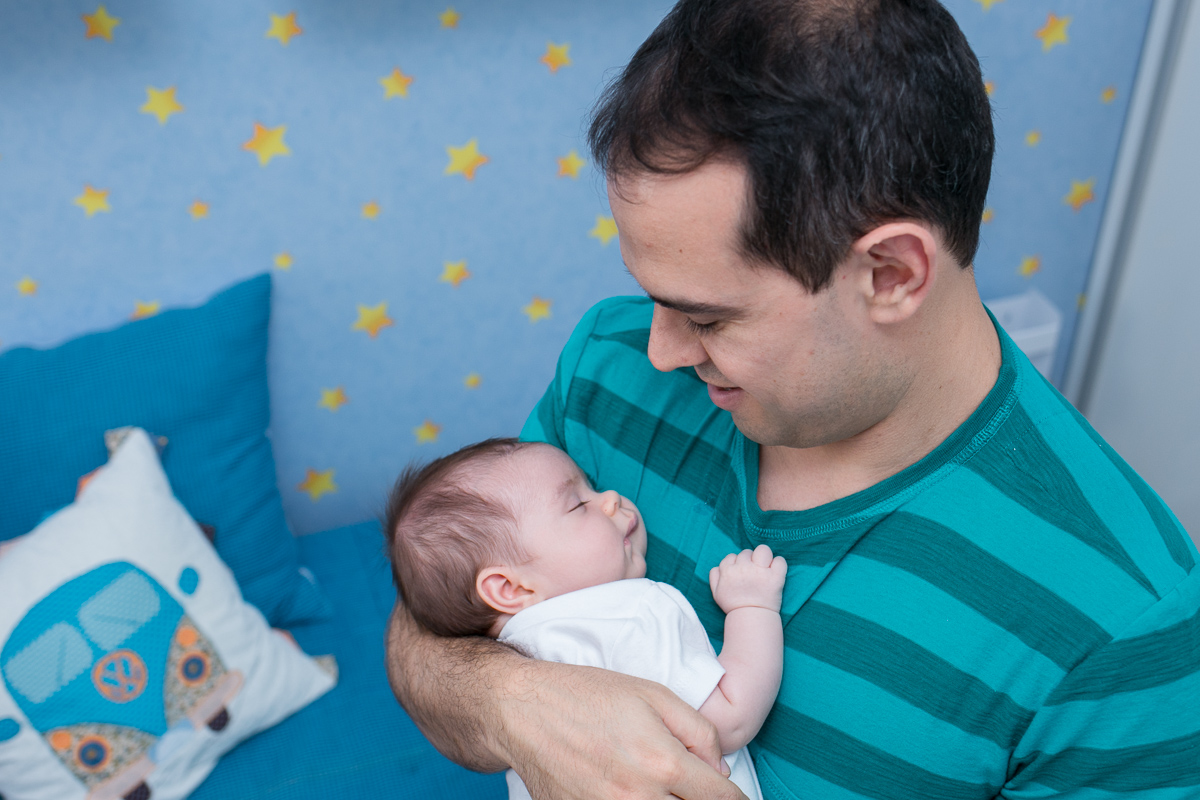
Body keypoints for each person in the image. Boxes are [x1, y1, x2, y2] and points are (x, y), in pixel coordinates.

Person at [386, 1, 1200, 798]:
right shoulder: (607, 367)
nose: (659, 350)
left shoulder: (1127, 626)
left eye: (708, 317)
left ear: (892, 275)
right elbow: (433, 622)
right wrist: (517, 705)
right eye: (653, 295)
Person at [383, 438, 787, 800]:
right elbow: (727, 722)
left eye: (590, 486)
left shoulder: (507, 660)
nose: (610, 497)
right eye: (577, 504)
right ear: (509, 588)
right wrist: (752, 609)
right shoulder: (630, 615)